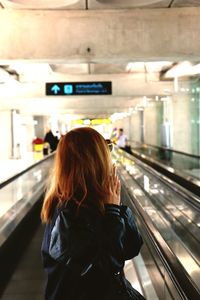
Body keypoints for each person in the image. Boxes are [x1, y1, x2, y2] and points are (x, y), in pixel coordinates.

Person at [41, 127, 143, 300]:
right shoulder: (68, 213)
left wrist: (117, 208)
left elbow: (131, 247)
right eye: (107, 149)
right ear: (94, 160)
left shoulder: (93, 201)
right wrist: (112, 212)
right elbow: (104, 270)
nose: (110, 157)